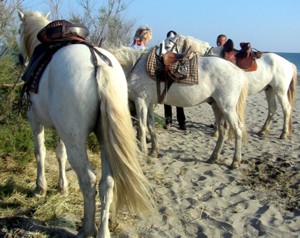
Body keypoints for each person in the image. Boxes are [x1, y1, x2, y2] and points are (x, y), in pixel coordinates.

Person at [163, 30, 186, 131]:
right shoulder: (164, 48)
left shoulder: (179, 50)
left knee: (178, 102)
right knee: (167, 100)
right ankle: (168, 121)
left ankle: (182, 122)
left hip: (176, 78)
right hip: (166, 78)